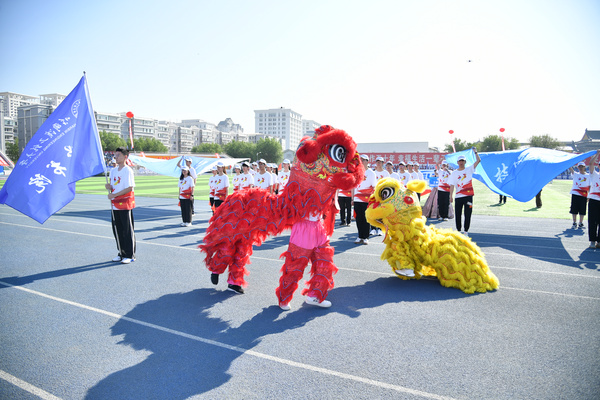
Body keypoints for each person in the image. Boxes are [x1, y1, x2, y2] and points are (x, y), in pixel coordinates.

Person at [105, 147, 136, 264]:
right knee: (117, 229)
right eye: (115, 155)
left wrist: (115, 194)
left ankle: (130, 254)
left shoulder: (128, 170)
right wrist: (109, 187)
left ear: (125, 157)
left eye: (118, 155)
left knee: (127, 230)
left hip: (125, 203)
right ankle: (121, 252)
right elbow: (114, 186)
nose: (116, 157)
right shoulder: (113, 171)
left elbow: (129, 188)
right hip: (115, 204)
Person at [448, 149, 481, 236]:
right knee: (458, 214)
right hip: (458, 197)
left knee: (468, 214)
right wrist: (450, 196)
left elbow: (478, 160)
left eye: (463, 161)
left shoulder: (469, 169)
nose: (461, 162)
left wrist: (475, 152)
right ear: (457, 162)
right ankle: (458, 231)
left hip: (468, 196)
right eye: (460, 161)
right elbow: (451, 185)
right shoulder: (454, 173)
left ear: (465, 162)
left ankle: (466, 231)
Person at [353, 154, 377, 244]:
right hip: (357, 199)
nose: (361, 162)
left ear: (367, 161)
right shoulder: (356, 172)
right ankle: (360, 236)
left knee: (366, 218)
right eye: (360, 160)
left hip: (367, 199)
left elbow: (374, 187)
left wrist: (373, 200)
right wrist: (352, 198)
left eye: (363, 160)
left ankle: (366, 237)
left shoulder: (371, 173)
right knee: (358, 218)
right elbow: (354, 186)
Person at [371, 156, 389, 236]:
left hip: (382, 195)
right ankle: (373, 228)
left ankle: (380, 229)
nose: (378, 163)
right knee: (373, 211)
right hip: (373, 195)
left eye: (380, 162)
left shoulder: (386, 173)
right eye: (377, 162)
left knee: (381, 212)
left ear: (382, 163)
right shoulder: (373, 172)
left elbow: (388, 184)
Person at [569, 161, 590, 229]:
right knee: (574, 209)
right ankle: (574, 222)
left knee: (582, 209)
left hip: (584, 194)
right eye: (579, 167)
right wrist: (568, 162)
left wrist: (589, 195)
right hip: (575, 194)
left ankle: (580, 223)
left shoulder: (588, 176)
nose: (581, 168)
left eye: (582, 167)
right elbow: (570, 169)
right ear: (578, 167)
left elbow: (589, 186)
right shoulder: (576, 174)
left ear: (584, 167)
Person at [587, 150, 600, 248]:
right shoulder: (595, 174)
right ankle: (592, 240)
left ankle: (599, 241)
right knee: (592, 221)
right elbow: (591, 163)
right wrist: (597, 154)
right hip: (594, 200)